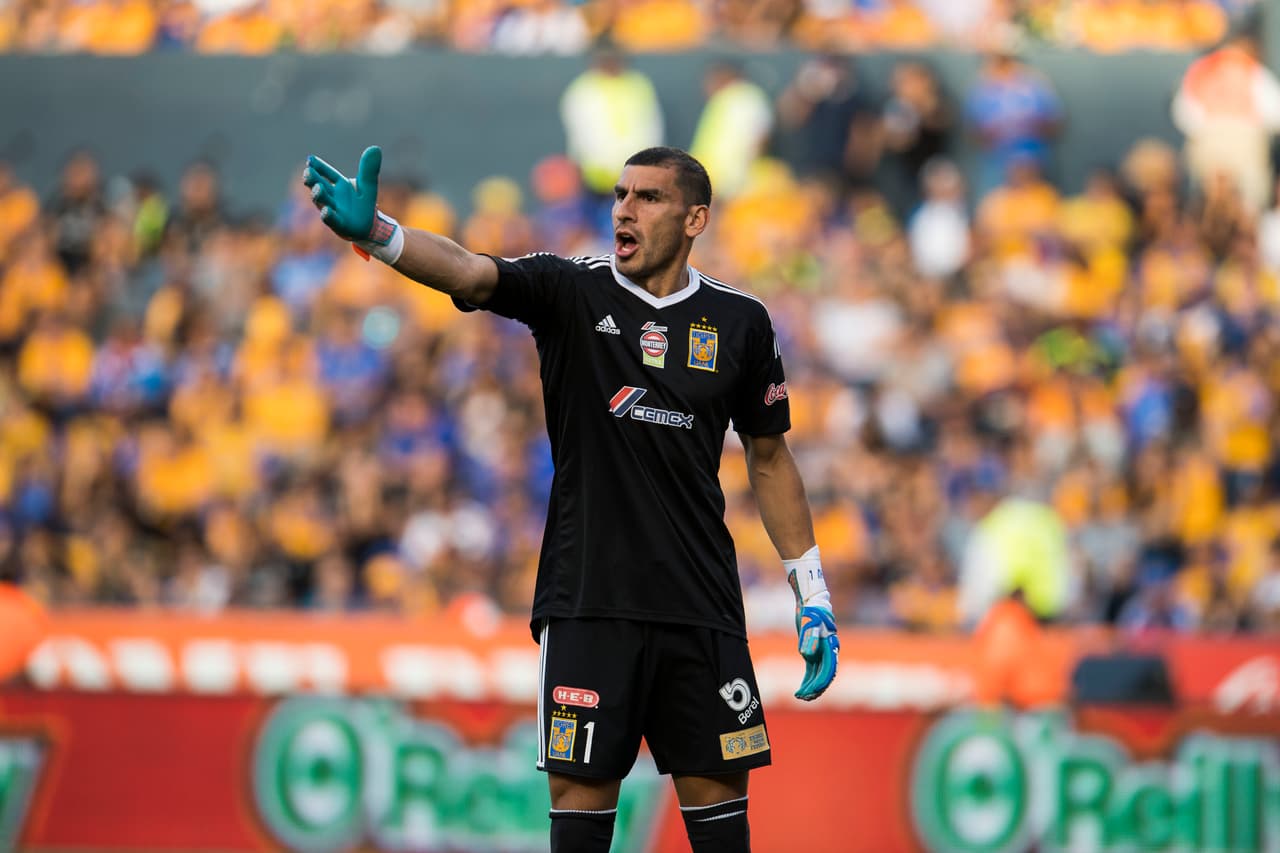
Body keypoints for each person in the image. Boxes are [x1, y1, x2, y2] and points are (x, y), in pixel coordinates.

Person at [302, 144, 839, 852]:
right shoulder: (572, 292)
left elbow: (769, 458)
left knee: (722, 830)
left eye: (648, 197)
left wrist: (814, 593)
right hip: (589, 603)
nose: (625, 207)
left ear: (694, 219)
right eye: (621, 193)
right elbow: (469, 269)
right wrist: (381, 235)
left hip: (701, 607)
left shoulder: (741, 321)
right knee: (581, 823)